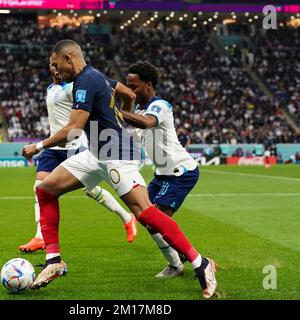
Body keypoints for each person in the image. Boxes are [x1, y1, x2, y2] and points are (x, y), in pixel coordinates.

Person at [22, 40, 217, 299]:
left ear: (69, 58)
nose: (56, 72)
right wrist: (117, 118)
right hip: (96, 152)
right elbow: (129, 95)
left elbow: (74, 130)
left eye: (57, 66)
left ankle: (200, 263)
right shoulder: (96, 77)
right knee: (46, 190)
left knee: (145, 213)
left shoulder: (86, 81)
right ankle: (53, 261)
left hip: (116, 154)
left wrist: (38, 145)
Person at [18, 65, 137, 253]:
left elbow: (108, 88)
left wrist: (121, 102)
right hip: (53, 149)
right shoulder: (51, 89)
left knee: (90, 190)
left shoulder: (73, 87)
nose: (54, 68)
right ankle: (40, 236)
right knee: (39, 188)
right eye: (51, 65)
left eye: (57, 65)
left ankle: (126, 217)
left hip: (75, 146)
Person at [120, 62, 201, 278]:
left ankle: (192, 262)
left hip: (180, 173)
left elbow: (146, 123)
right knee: (146, 219)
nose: (130, 90)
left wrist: (116, 111)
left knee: (159, 221)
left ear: (148, 85)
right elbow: (129, 130)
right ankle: (181, 259)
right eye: (127, 86)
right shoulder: (138, 110)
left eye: (133, 86)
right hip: (162, 174)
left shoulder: (160, 106)